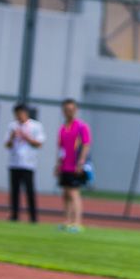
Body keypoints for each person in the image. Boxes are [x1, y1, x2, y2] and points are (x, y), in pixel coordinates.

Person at [56, 98, 91, 232]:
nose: (68, 112)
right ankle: (67, 221)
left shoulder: (82, 127)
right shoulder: (63, 128)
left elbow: (86, 145)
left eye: (71, 109)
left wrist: (81, 162)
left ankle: (77, 222)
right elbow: (61, 148)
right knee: (65, 193)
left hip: (75, 165)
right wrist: (58, 164)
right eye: (66, 110)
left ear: (75, 110)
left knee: (74, 193)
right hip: (65, 165)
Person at [5, 103, 44, 222]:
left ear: (26, 113)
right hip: (14, 163)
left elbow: (39, 143)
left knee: (30, 191)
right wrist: (12, 137)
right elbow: (7, 144)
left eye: (21, 113)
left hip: (28, 164)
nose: (19, 116)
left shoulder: (36, 126)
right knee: (14, 191)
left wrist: (27, 138)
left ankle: (33, 217)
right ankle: (14, 215)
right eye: (16, 114)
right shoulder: (12, 126)